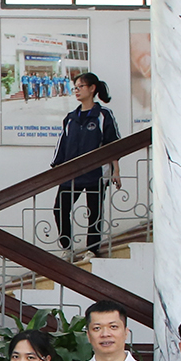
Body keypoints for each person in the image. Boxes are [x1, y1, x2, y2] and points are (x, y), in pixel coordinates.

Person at [50, 71, 119, 255]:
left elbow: (113, 144)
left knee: (94, 212)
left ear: (92, 88)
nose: (77, 91)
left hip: (96, 173)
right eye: (75, 88)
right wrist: (57, 168)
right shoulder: (70, 118)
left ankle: (92, 249)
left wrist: (116, 171)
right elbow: (62, 145)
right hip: (71, 173)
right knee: (60, 208)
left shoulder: (103, 115)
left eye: (80, 86)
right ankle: (67, 248)